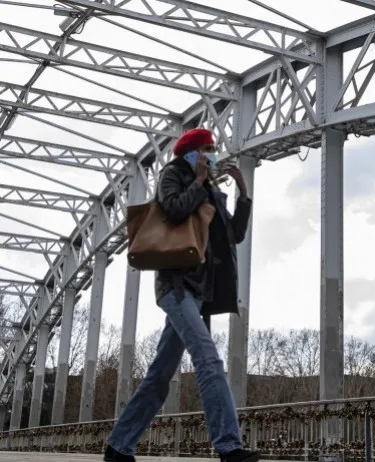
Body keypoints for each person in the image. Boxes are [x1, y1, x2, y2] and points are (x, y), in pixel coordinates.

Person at [104, 128, 260, 462]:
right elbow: (173, 210)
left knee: (160, 376)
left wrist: (243, 192)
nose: (214, 154)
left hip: (201, 292)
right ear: (191, 153)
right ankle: (229, 447)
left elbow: (235, 234)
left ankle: (118, 447)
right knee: (208, 360)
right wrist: (199, 181)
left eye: (214, 149)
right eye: (208, 148)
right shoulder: (172, 175)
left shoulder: (213, 191)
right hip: (176, 288)